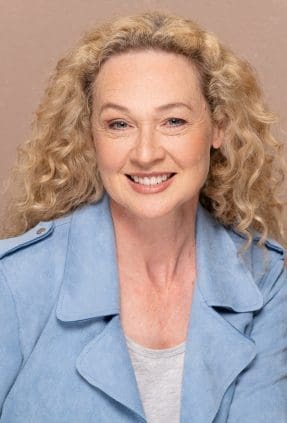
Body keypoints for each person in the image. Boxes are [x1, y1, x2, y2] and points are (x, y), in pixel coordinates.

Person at [0, 10, 286, 423]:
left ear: (218, 129)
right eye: (120, 123)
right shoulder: (13, 282)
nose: (146, 152)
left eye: (173, 121)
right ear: (91, 136)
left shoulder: (270, 284)